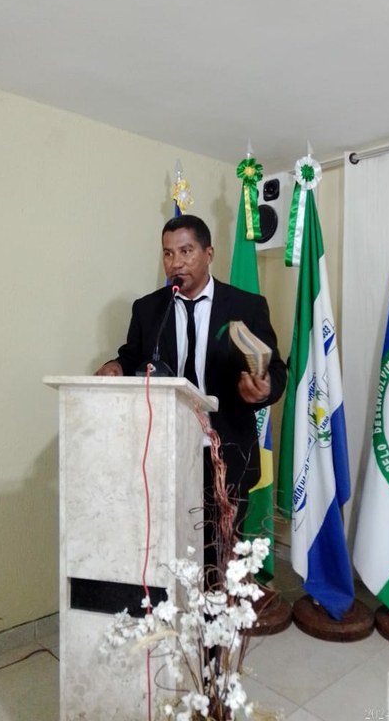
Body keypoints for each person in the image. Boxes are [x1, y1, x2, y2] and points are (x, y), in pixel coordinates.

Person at [96, 214, 287, 574]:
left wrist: (263, 389)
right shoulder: (148, 309)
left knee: (221, 555)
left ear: (208, 253)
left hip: (226, 450)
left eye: (186, 251)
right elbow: (131, 356)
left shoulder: (246, 305)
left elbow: (275, 370)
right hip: (165, 450)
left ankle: (218, 608)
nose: (176, 263)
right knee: (168, 551)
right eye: (168, 253)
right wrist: (115, 366)